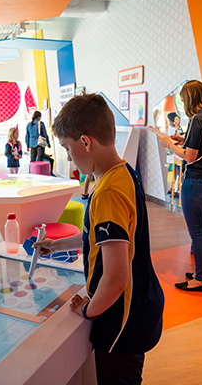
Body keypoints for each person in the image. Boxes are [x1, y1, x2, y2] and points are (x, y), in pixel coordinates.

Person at [35, 94, 164, 385]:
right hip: (141, 303)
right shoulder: (123, 173)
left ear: (85, 142)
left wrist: (88, 309)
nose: (68, 157)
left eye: (68, 148)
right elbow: (99, 239)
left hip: (121, 317)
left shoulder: (107, 192)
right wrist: (55, 246)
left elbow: (116, 277)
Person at [158, 80, 202, 292]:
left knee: (197, 232)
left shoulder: (197, 119)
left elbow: (190, 156)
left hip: (197, 182)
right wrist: (183, 139)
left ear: (189, 99)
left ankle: (200, 280)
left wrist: (168, 144)